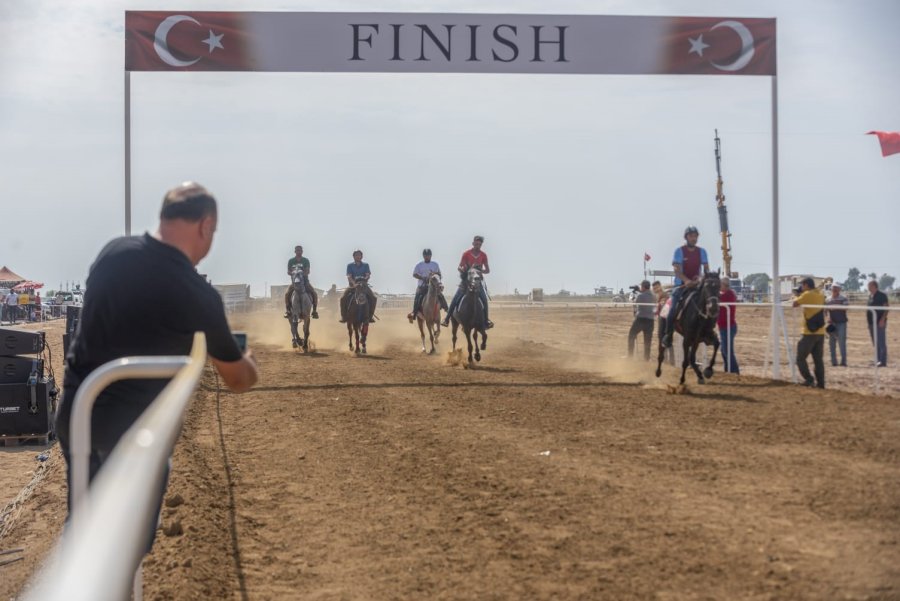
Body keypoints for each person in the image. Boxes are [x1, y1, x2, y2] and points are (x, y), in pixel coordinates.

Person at [55, 182, 259, 552]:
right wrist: (251, 363)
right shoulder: (197, 294)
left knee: (82, 535)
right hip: (135, 431)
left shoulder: (112, 252)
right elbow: (237, 378)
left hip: (77, 412)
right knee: (122, 550)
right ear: (206, 226)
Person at [662, 226, 709, 347]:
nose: (694, 238)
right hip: (681, 286)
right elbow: (677, 270)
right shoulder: (679, 251)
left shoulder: (702, 252)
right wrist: (686, 281)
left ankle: (708, 331)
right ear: (686, 237)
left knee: (710, 303)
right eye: (691, 236)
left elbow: (706, 270)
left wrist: (701, 279)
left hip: (696, 285)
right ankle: (668, 335)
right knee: (672, 309)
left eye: (695, 236)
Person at [441, 235, 492, 328]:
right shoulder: (466, 254)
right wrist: (464, 270)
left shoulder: (483, 255)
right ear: (473, 243)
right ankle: (447, 318)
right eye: (476, 244)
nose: (478, 246)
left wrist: (481, 271)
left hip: (477, 282)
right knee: (456, 298)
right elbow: (459, 266)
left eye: (480, 244)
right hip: (466, 282)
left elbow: (488, 270)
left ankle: (486, 320)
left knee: (484, 300)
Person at [792, 277, 826, 388]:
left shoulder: (807, 295)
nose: (801, 287)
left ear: (806, 285)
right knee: (818, 360)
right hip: (820, 332)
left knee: (800, 358)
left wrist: (796, 295)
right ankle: (821, 383)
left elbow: (795, 303)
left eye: (802, 285)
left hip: (808, 333)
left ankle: (809, 379)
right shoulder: (820, 294)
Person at [408, 248, 448, 323]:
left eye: (428, 255)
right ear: (423, 256)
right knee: (418, 297)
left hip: (433, 286)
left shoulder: (435, 264)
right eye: (425, 255)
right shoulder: (419, 265)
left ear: (431, 256)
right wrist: (423, 278)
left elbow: (439, 274)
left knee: (440, 295)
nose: (427, 257)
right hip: (422, 286)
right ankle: (414, 312)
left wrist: (434, 274)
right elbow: (414, 274)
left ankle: (446, 309)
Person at [340, 250, 377, 323]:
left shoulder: (366, 265)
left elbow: (367, 274)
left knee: (373, 298)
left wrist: (364, 280)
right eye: (356, 255)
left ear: (362, 256)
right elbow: (349, 276)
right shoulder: (350, 265)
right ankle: (344, 317)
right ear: (353, 257)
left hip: (364, 287)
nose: (358, 256)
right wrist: (354, 284)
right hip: (352, 287)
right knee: (342, 298)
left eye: (359, 255)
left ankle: (370, 316)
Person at [283, 245, 319, 319]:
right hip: (294, 283)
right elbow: (288, 271)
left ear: (302, 252)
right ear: (295, 252)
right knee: (287, 294)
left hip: (304, 282)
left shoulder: (305, 260)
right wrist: (293, 273)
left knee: (314, 293)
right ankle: (288, 311)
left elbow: (308, 271)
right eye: (297, 250)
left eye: (300, 250)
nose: (298, 252)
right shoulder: (291, 261)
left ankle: (314, 311)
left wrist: (302, 274)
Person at [627, 281, 655, 360]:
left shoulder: (640, 295)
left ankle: (630, 356)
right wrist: (640, 291)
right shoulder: (653, 296)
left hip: (641, 319)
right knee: (647, 341)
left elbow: (634, 302)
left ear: (643, 287)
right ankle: (646, 359)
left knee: (631, 335)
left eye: (641, 286)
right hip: (650, 320)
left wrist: (637, 292)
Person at [717, 277, 739, 374]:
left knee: (727, 351)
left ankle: (734, 372)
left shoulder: (729, 294)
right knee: (724, 350)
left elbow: (718, 299)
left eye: (720, 284)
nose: (719, 287)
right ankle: (728, 370)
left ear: (725, 285)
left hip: (728, 327)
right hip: (724, 327)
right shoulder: (728, 293)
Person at [825, 282, 849, 367]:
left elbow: (846, 308)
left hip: (841, 323)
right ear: (831, 289)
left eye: (836, 288)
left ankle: (843, 361)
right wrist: (828, 317)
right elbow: (825, 311)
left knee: (842, 342)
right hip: (832, 324)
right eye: (833, 288)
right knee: (831, 343)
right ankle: (833, 362)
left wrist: (834, 307)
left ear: (839, 289)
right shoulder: (828, 299)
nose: (834, 289)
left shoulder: (844, 298)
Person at [866, 280, 889, 367]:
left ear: (874, 286)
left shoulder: (882, 295)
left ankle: (883, 361)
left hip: (879, 322)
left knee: (881, 341)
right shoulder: (870, 296)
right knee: (875, 342)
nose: (868, 287)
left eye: (869, 286)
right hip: (871, 323)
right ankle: (878, 359)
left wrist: (883, 319)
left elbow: (886, 308)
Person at [652, 281, 675, 365]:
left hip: (665, 320)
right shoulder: (659, 296)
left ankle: (670, 361)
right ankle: (666, 360)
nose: (655, 289)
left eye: (656, 287)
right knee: (663, 340)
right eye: (654, 288)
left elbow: (664, 307)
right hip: (663, 319)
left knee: (666, 340)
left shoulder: (664, 295)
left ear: (660, 286)